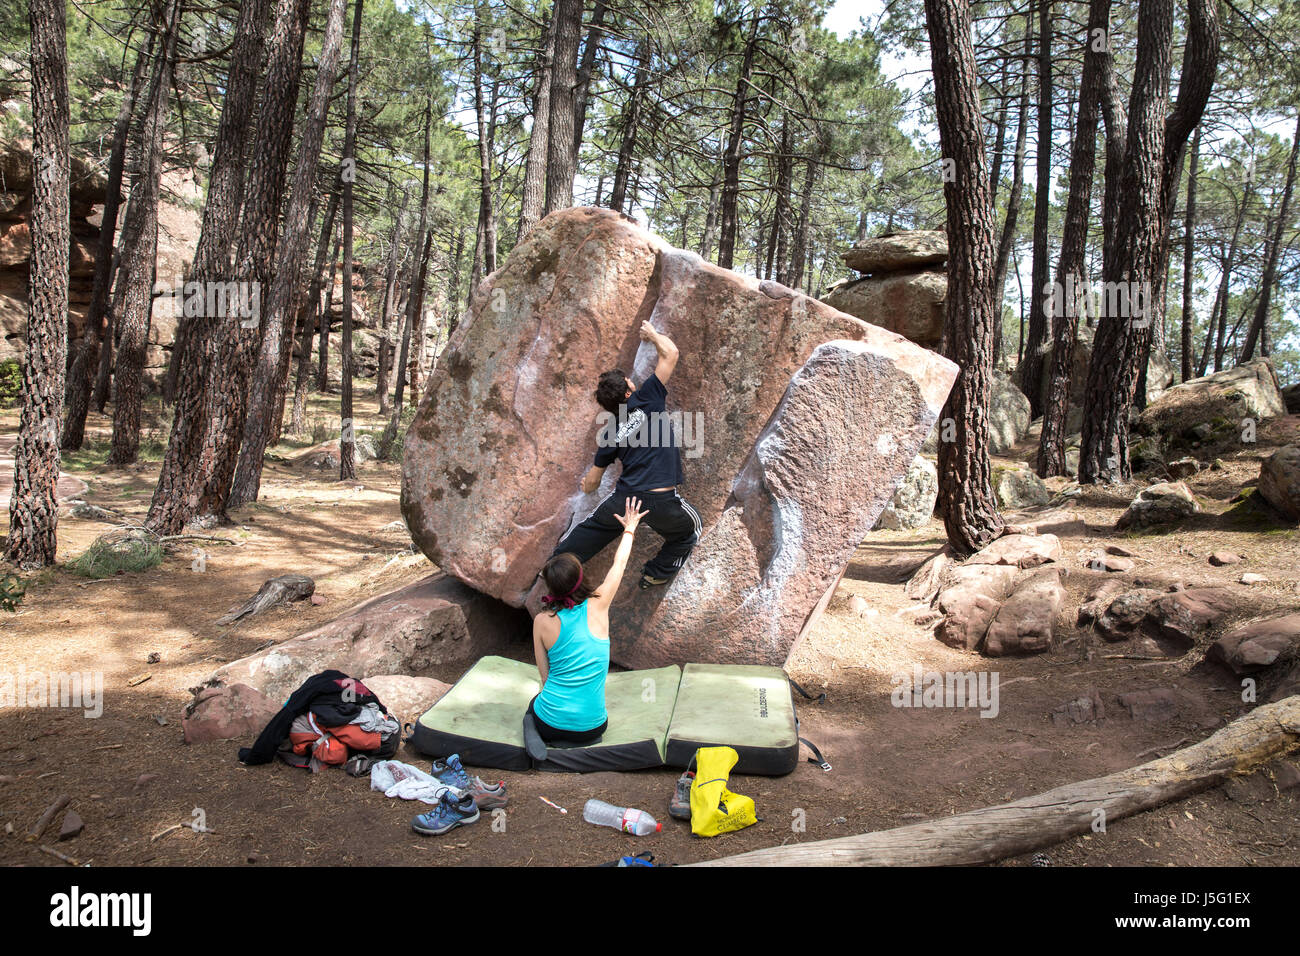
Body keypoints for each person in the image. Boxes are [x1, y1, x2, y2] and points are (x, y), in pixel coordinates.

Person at [551, 320, 701, 590]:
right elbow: (672, 353)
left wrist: (586, 484)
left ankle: (555, 567)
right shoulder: (648, 398)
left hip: (626, 499)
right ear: (629, 391)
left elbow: (593, 482)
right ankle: (655, 573)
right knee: (689, 530)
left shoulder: (609, 433)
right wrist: (653, 334)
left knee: (592, 530)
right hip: (660, 499)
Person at [524, 496, 647, 761]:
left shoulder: (542, 622)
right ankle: (575, 737)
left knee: (534, 705)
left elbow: (545, 678)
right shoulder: (600, 604)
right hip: (593, 727)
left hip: (552, 722)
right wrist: (630, 528)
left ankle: (534, 730)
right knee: (558, 709)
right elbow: (619, 565)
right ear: (581, 577)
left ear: (551, 589)